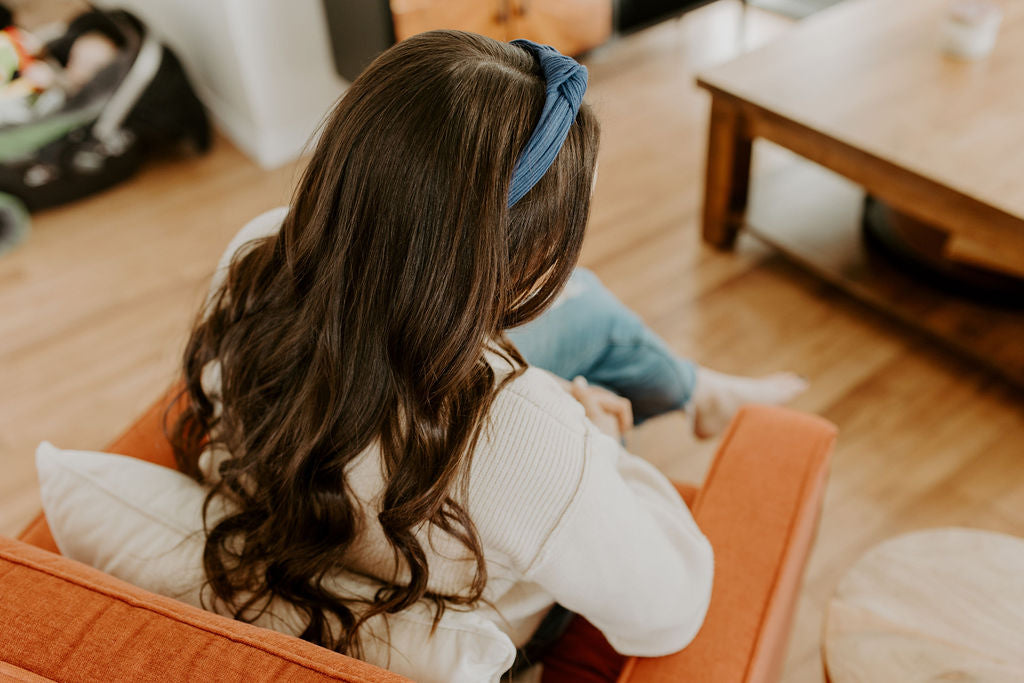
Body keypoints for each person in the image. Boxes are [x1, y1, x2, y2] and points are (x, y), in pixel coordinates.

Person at [171, 30, 804, 681]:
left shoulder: (261, 253)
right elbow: (671, 610)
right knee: (583, 307)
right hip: (493, 525)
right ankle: (694, 390)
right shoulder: (524, 436)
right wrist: (597, 443)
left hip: (379, 428)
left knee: (583, 307)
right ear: (501, 256)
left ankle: (696, 389)